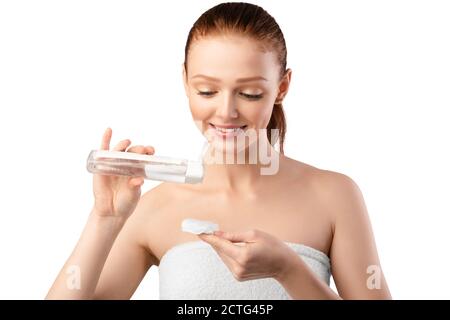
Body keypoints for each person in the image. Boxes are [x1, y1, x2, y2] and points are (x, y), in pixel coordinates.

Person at [47, 2, 391, 300]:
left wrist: (290, 270)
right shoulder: (155, 208)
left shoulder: (334, 196)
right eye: (207, 91)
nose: (226, 112)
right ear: (185, 81)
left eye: (250, 94)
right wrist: (104, 220)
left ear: (282, 86)